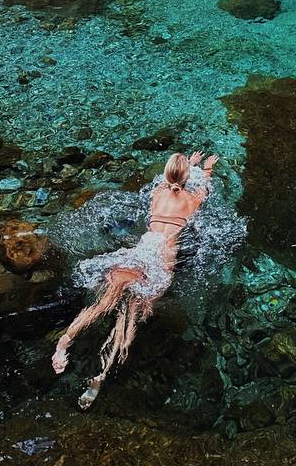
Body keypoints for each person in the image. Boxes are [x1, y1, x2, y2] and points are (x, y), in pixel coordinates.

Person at [51, 149, 219, 408]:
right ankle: (100, 376)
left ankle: (64, 343)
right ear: (187, 178)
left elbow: (169, 182)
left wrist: (188, 165)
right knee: (127, 319)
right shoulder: (190, 200)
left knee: (100, 305)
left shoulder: (157, 193)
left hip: (136, 255)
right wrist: (205, 168)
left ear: (165, 174)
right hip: (160, 263)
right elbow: (204, 189)